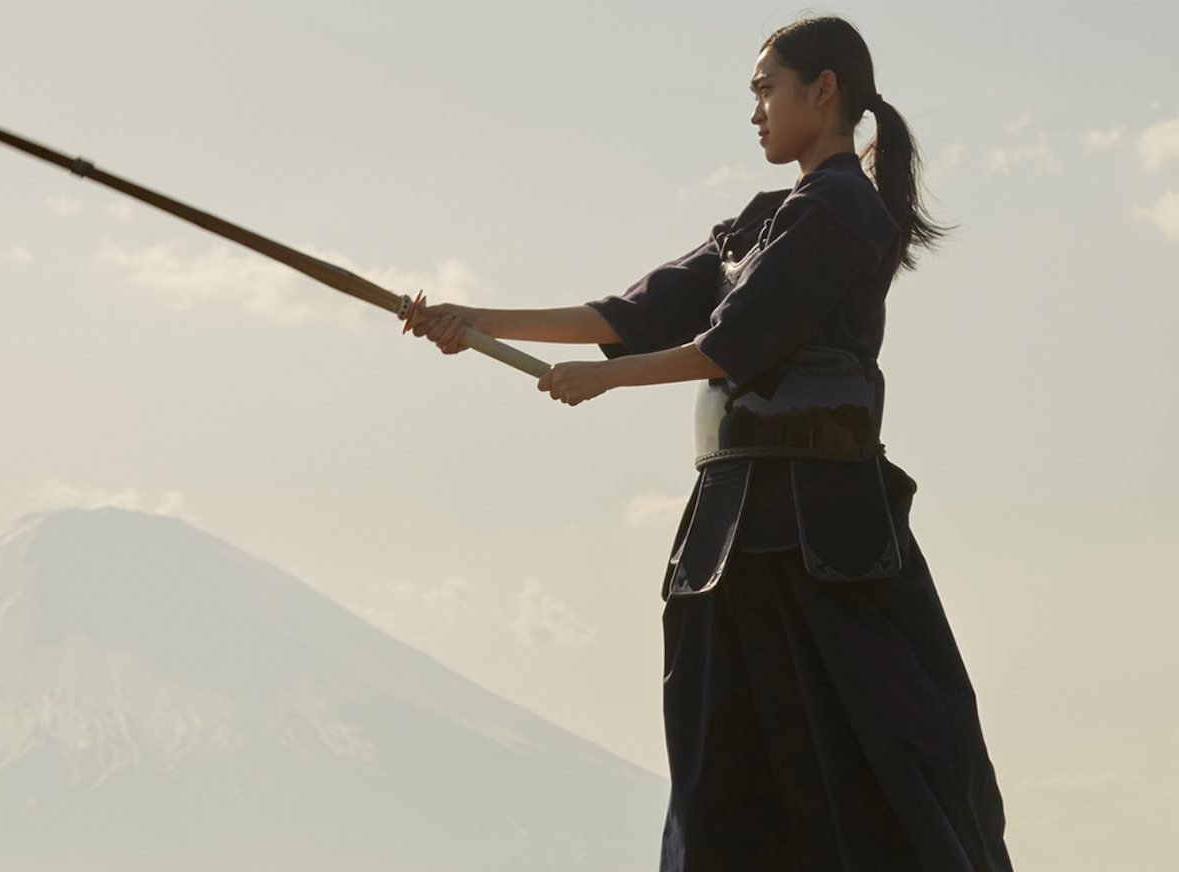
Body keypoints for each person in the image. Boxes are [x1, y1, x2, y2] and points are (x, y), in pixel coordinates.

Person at [409, 16, 1012, 872]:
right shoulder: (765, 220)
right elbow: (631, 314)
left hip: (821, 536)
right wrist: (475, 321)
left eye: (768, 89)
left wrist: (605, 381)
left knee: (874, 761)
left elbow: (739, 341)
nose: (756, 111)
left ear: (824, 90)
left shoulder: (843, 206)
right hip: (732, 536)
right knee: (724, 772)